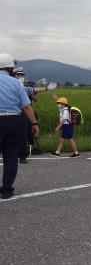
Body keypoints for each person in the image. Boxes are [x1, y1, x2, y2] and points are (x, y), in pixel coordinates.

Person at [0, 53, 39, 199]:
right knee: (10, 156)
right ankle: (6, 190)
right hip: (13, 121)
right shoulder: (17, 83)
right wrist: (34, 123)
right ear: (9, 67)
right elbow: (27, 107)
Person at [12, 67, 56, 162]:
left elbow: (32, 90)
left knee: (23, 134)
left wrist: (46, 88)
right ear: (14, 76)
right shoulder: (16, 85)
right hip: (15, 113)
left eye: (22, 75)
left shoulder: (21, 87)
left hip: (20, 114)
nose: (22, 77)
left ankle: (22, 155)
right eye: (20, 75)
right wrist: (46, 88)